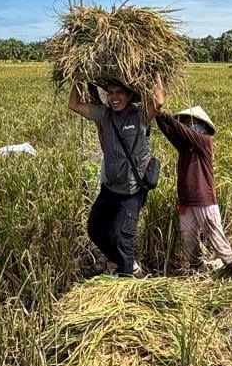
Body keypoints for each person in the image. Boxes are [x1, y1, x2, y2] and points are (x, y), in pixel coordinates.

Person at [67, 78, 163, 277]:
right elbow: (73, 105)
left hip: (132, 191)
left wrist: (155, 74)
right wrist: (77, 78)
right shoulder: (104, 116)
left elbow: (158, 102)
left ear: (130, 95)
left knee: (122, 238)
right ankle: (128, 265)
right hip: (110, 189)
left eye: (119, 92)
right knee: (94, 229)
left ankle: (126, 279)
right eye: (110, 93)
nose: (114, 97)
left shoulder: (140, 116)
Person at [156, 106, 232, 280]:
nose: (183, 125)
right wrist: (157, 116)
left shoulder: (204, 141)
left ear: (199, 125)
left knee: (219, 244)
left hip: (204, 201)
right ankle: (201, 272)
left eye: (187, 122)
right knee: (189, 243)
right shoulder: (184, 147)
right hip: (186, 200)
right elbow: (171, 132)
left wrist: (165, 115)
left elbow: (179, 130)